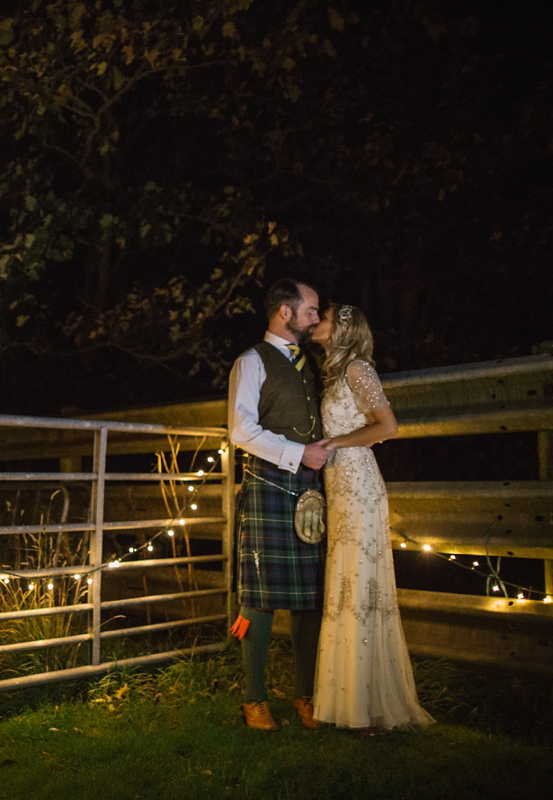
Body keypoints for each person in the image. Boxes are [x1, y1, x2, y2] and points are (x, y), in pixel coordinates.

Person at [310, 303, 433, 731]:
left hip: (359, 483)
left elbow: (388, 427)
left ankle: (367, 705)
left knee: (360, 584)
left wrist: (336, 442)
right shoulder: (334, 372)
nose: (316, 323)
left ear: (342, 329)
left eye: (323, 317)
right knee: (345, 582)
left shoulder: (359, 369)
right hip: (339, 482)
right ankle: (346, 702)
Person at [227, 278, 332, 731]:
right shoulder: (251, 361)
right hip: (269, 486)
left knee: (310, 598)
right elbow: (240, 430)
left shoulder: (314, 364)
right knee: (260, 599)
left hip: (312, 491)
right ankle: (254, 699)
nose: (316, 317)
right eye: (310, 310)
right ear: (285, 313)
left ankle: (305, 696)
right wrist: (298, 454)